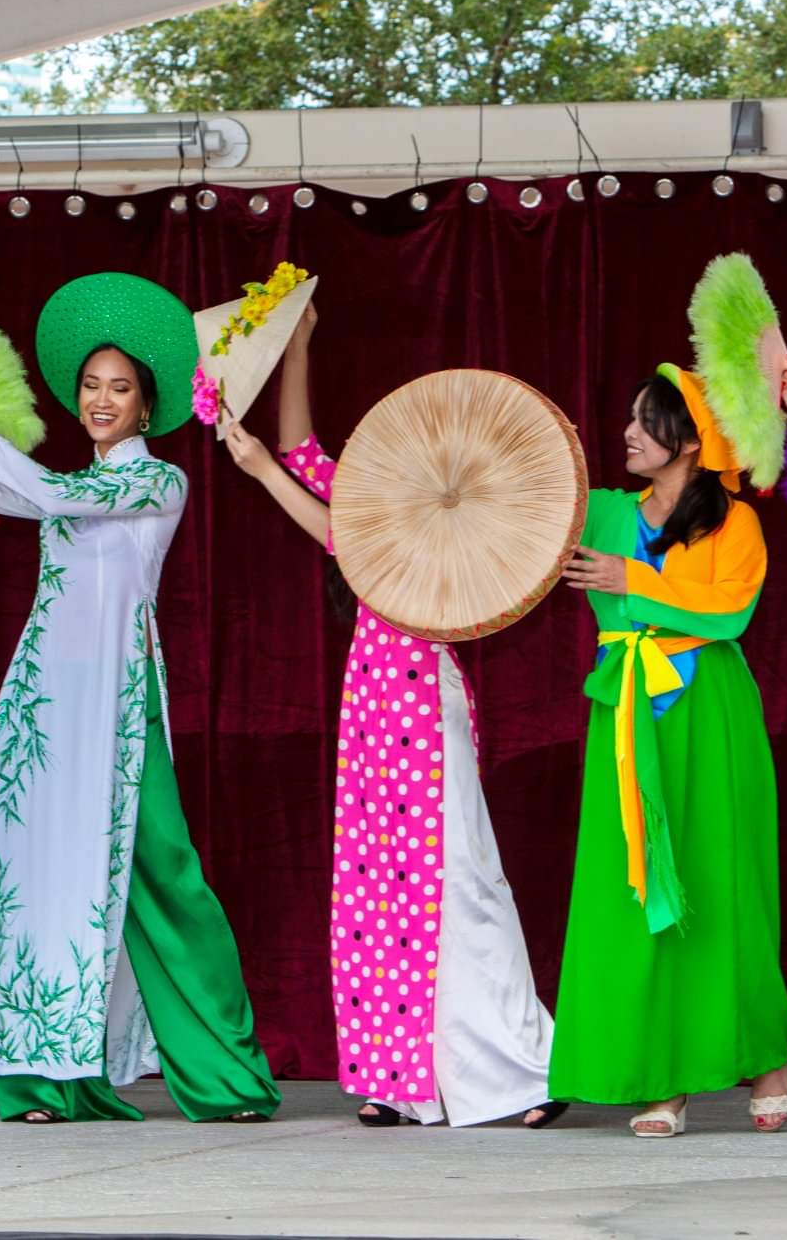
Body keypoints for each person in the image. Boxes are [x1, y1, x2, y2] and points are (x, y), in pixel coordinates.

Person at [0, 273, 279, 1125]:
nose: (102, 400)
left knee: (168, 878)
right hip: (44, 707)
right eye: (92, 387)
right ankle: (44, 1081)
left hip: (118, 702)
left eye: (121, 390)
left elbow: (49, 493)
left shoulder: (156, 483)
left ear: (147, 408)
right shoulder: (64, 484)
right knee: (41, 876)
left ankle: (229, 1076)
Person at [220, 304, 564, 1129]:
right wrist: (300, 345)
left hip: (422, 703)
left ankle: (523, 1072)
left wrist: (266, 474)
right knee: (376, 892)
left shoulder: (445, 526)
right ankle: (402, 1079)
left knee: (461, 883)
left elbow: (334, 531)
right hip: (372, 702)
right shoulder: (374, 501)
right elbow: (306, 453)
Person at [552, 363, 787, 1137]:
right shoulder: (600, 512)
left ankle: (764, 1057)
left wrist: (634, 578)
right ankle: (663, 1076)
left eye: (646, 420)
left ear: (692, 439)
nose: (627, 432)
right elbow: (520, 519)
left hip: (709, 708)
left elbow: (730, 611)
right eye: (627, 417)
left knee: (722, 884)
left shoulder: (736, 523)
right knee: (640, 888)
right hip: (628, 712)